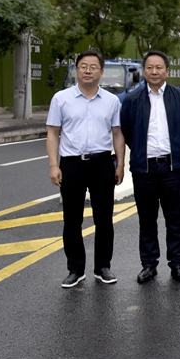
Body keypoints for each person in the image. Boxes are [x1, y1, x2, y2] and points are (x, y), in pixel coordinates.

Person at [46, 50, 125, 288]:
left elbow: (117, 133)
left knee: (104, 218)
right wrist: (53, 165)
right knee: (72, 219)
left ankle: (103, 267)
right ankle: (75, 269)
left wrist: (121, 164)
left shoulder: (112, 101)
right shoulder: (61, 99)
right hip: (71, 163)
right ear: (76, 70)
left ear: (101, 72)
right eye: (83, 66)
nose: (87, 71)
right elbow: (53, 133)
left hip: (102, 163)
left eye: (93, 67)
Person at [119, 50, 180, 284]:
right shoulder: (132, 100)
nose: (154, 71)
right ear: (144, 70)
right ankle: (149, 264)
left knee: (176, 220)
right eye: (150, 67)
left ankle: (177, 263)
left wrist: (176, 151)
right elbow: (127, 131)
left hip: (173, 168)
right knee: (147, 220)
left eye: (159, 67)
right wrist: (141, 153)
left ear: (167, 71)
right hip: (144, 170)